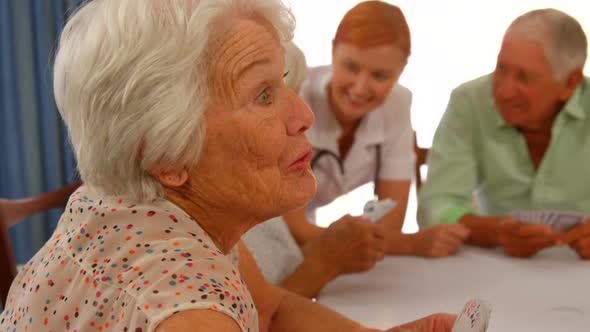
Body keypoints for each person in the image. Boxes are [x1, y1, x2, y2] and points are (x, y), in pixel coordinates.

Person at [0, 0, 456, 331]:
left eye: (282, 82)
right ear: (166, 154)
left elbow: (270, 311)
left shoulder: (141, 208)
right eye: (263, 96)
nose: (304, 116)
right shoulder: (190, 316)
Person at [255, 1, 470, 299]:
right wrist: (411, 244)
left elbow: (390, 221)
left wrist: (354, 241)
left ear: (401, 70)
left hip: (314, 253)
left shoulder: (398, 104)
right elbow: (297, 230)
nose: (360, 87)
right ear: (333, 51)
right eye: (351, 66)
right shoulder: (295, 95)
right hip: (267, 236)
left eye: (380, 76)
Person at [417, 8, 590, 260]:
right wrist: (494, 232)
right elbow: (435, 206)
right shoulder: (468, 102)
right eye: (501, 68)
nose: (505, 91)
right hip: (494, 264)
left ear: (570, 83)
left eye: (524, 78)